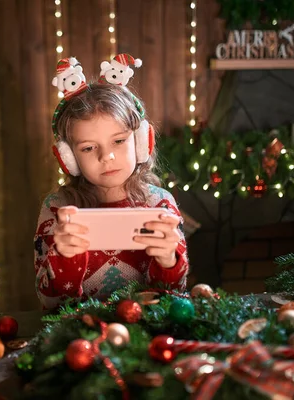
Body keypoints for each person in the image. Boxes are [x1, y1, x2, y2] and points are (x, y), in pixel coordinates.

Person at [34, 54, 189, 310]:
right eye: (88, 148)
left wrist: (168, 261)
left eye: (118, 141)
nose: (107, 157)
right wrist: (64, 259)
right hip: (79, 337)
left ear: (141, 143)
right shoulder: (57, 209)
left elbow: (175, 298)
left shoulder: (159, 204)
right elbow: (50, 304)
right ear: (68, 158)